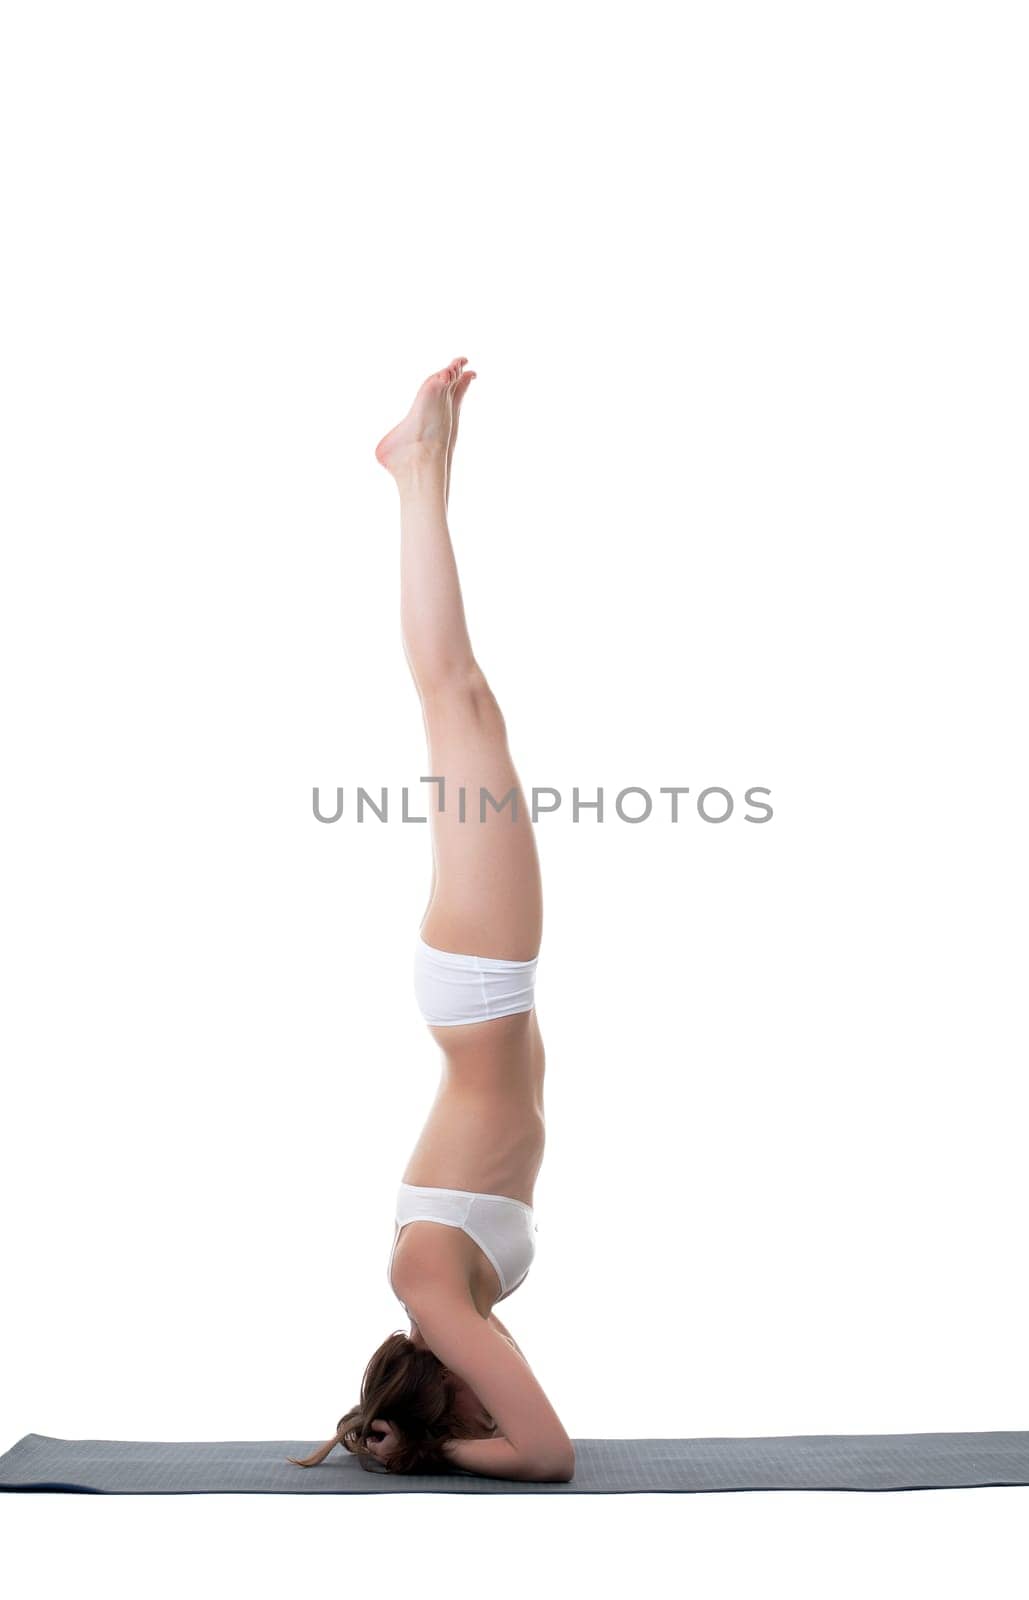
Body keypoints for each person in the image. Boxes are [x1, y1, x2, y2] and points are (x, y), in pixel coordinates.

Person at [289, 359, 574, 1482]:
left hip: (481, 985)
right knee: (465, 702)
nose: (491, 1395)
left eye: (469, 1408)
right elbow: (531, 1435)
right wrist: (423, 1438)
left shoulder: (432, 1298)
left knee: (457, 698)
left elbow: (545, 1453)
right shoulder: (447, 1302)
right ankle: (420, 473)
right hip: (479, 993)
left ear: (442, 1388)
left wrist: (434, 1447)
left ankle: (416, 474)